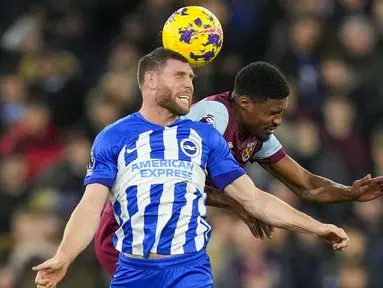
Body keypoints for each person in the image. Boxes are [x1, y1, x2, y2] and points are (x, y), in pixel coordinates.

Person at [33, 48, 349, 288]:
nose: (189, 84)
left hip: (189, 269)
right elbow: (89, 207)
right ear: (150, 79)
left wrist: (316, 227)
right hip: (131, 270)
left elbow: (253, 198)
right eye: (180, 76)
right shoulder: (114, 137)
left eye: (192, 78)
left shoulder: (204, 137)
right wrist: (64, 256)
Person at [94, 61, 383, 277]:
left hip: (173, 235)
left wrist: (350, 192)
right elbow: (178, 181)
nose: (279, 121)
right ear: (245, 103)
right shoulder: (213, 118)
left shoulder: (256, 134)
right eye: (273, 112)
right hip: (132, 227)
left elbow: (306, 185)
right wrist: (240, 205)